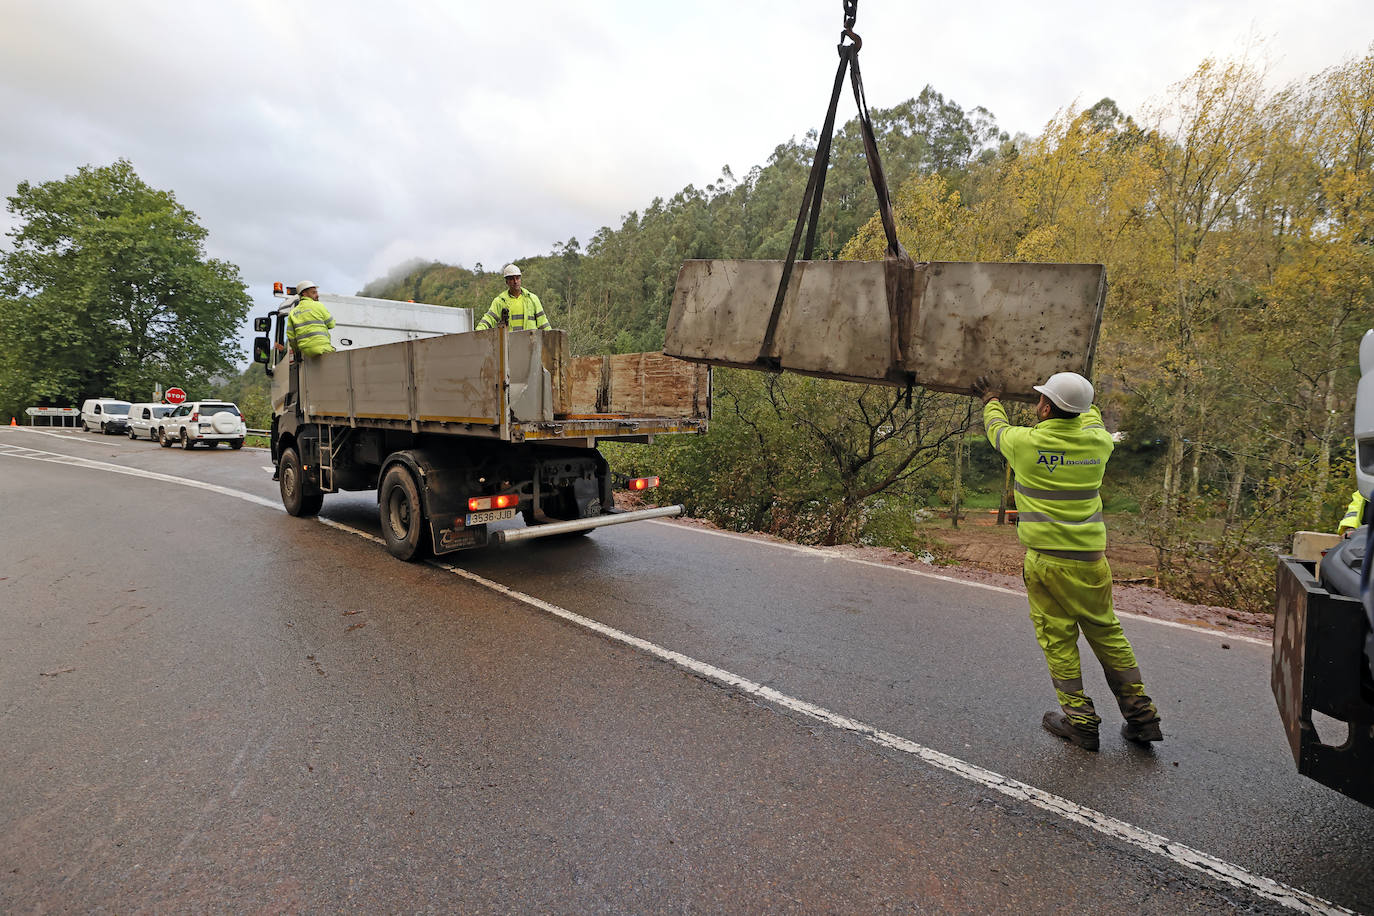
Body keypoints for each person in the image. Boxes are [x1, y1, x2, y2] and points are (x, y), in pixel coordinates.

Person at [973, 371, 1163, 751]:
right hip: (1092, 562)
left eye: (1040, 400)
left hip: (1047, 564)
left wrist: (990, 397)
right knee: (1107, 633)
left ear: (1045, 406)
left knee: (1058, 638)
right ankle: (1142, 717)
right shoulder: (1099, 442)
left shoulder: (1025, 444)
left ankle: (1080, 720)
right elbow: (1091, 415)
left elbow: (996, 428)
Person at [475, 264, 550, 331]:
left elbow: (543, 323)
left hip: (530, 344)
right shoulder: (500, 301)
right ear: (506, 282)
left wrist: (551, 338)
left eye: (517, 278)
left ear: (520, 279)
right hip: (509, 344)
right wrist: (477, 332)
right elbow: (489, 318)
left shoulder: (532, 299)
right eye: (511, 279)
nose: (515, 281)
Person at [285, 282, 336, 356]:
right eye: (313, 293)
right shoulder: (318, 305)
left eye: (316, 292)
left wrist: (297, 351)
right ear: (304, 293)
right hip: (323, 348)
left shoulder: (293, 313)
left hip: (305, 352)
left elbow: (291, 338)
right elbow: (331, 324)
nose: (317, 295)